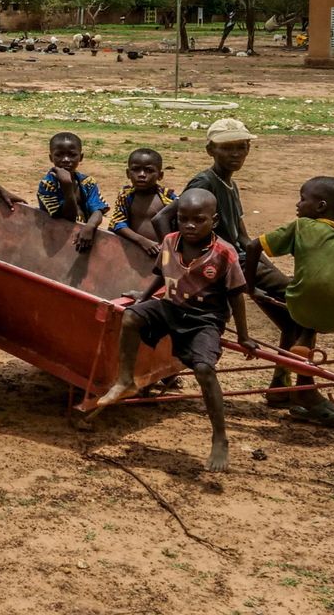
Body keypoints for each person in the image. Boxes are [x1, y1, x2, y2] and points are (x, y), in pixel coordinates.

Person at [94, 190, 257, 472]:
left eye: (198, 220)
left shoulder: (224, 253)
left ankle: (220, 437)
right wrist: (143, 299)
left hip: (204, 318)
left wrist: (243, 336)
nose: (190, 225)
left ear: (214, 221)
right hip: (170, 306)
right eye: (183, 219)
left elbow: (236, 297)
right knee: (131, 316)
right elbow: (160, 272)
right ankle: (125, 380)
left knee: (205, 370)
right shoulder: (170, 241)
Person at [246, 177, 334, 425]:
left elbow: (252, 246)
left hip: (298, 309)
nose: (298, 204)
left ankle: (303, 339)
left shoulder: (301, 226)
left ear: (320, 206)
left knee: (304, 284)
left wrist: (249, 286)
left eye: (303, 199)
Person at [151, 119, 289, 312]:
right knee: (293, 293)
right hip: (221, 259)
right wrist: (176, 261)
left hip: (238, 257)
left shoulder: (230, 185)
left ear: (248, 149)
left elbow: (243, 238)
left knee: (284, 302)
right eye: (226, 148)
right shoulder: (204, 183)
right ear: (210, 150)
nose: (235, 154)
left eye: (241, 147)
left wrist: (269, 268)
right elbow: (161, 218)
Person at [38, 132, 111, 250]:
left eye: (72, 155)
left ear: (80, 157)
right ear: (51, 158)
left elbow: (97, 210)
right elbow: (68, 217)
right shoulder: (48, 185)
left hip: (84, 236)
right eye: (59, 155)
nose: (66, 160)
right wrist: (67, 186)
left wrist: (90, 226)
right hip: (56, 239)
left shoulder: (88, 182)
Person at [109, 149, 175, 256]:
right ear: (128, 173)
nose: (142, 175)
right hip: (134, 251)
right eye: (135, 170)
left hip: (165, 253)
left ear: (160, 175)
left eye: (149, 170)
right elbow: (117, 223)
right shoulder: (126, 196)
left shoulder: (168, 197)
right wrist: (142, 241)